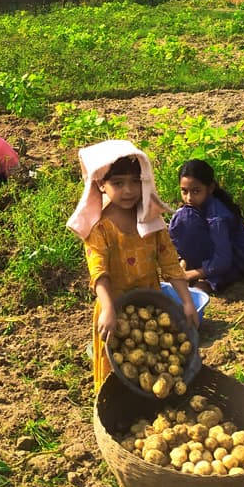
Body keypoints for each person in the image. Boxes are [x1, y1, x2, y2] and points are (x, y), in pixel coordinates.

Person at [66, 140, 203, 393]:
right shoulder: (100, 228)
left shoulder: (150, 220)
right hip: (114, 310)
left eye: (135, 181)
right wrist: (108, 308)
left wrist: (186, 301)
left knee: (152, 365)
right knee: (115, 370)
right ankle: (115, 407)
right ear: (101, 185)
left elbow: (169, 262)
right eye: (118, 183)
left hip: (150, 309)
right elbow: (99, 272)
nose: (128, 190)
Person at [169, 159, 244, 293]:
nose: (189, 198)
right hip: (212, 252)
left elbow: (223, 260)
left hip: (233, 261)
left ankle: (208, 281)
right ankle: (198, 268)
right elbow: (187, 240)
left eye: (196, 191)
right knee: (181, 218)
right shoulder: (193, 208)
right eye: (184, 191)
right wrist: (183, 264)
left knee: (198, 287)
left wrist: (189, 275)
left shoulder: (218, 218)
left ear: (210, 188)